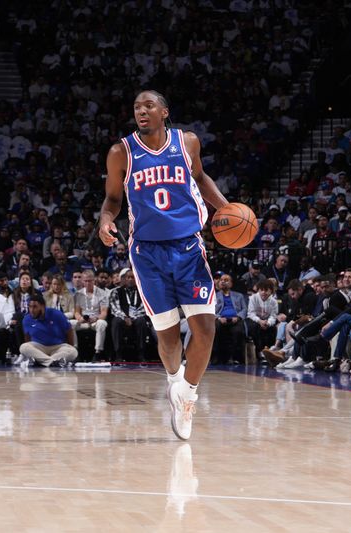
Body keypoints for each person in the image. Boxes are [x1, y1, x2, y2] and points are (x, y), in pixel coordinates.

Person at [99, 90, 228, 441]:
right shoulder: (120, 152)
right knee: (168, 337)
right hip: (147, 254)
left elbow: (200, 179)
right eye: (137, 107)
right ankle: (174, 380)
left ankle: (187, 395)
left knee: (205, 328)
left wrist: (226, 208)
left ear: (164, 112)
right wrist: (104, 220)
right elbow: (112, 199)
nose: (141, 111)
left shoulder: (187, 142)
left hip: (188, 247)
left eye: (148, 106)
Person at [18, 294, 78, 367]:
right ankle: (53, 362)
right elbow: (27, 337)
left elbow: (69, 331)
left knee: (73, 351)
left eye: (35, 307)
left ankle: (40, 361)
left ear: (43, 306)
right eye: (30, 307)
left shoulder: (57, 314)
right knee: (24, 347)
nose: (32, 310)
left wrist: (69, 346)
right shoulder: (27, 319)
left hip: (57, 347)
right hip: (39, 348)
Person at [109, 268, 152, 362]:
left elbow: (143, 308)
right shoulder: (116, 292)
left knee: (142, 321)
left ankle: (141, 353)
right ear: (123, 279)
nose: (130, 279)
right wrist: (125, 317)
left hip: (136, 318)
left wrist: (132, 318)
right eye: (128, 277)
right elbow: (115, 308)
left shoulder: (142, 292)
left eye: (133, 277)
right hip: (122, 318)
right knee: (116, 321)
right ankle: (118, 354)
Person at [73, 269, 109, 360]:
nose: (88, 283)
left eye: (90, 281)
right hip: (83, 321)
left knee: (102, 323)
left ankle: (98, 352)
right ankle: (75, 351)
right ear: (82, 281)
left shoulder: (102, 293)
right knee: (70, 324)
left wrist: (96, 318)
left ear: (94, 280)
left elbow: (104, 313)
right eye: (85, 281)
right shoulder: (78, 294)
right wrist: (80, 318)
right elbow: (76, 312)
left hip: (95, 320)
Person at [212, 273, 247, 365]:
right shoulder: (214, 296)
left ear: (231, 284)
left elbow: (244, 309)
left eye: (226, 280)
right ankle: (216, 356)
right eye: (221, 280)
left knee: (238, 331)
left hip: (235, 319)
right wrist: (218, 317)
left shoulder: (239, 296)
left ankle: (234, 357)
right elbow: (210, 310)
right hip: (220, 319)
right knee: (216, 328)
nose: (223, 282)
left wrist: (238, 317)